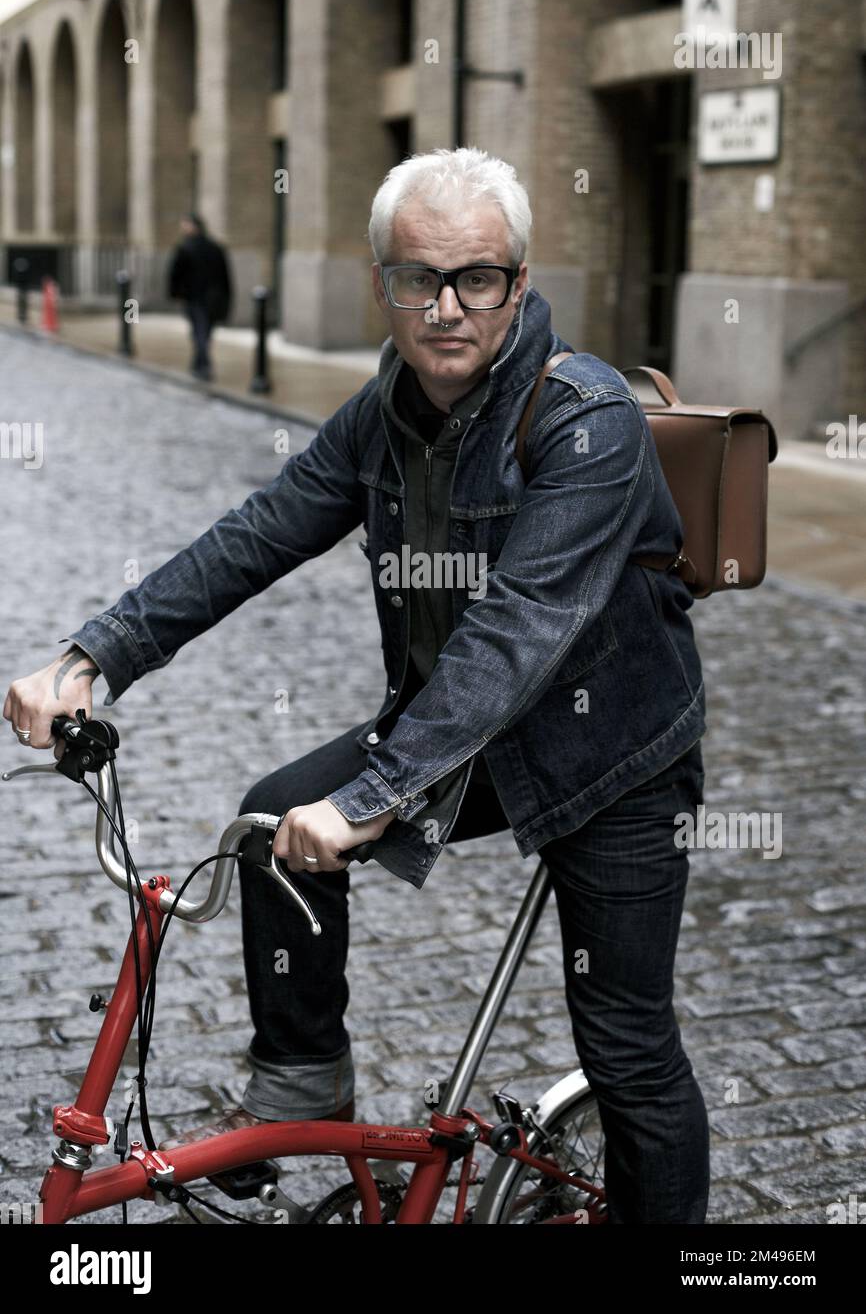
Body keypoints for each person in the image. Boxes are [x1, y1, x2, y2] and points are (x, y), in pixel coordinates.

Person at [3, 147, 710, 1223]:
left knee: (626, 1045)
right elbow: (253, 537)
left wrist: (367, 800)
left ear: (516, 284)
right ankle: (302, 1076)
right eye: (414, 278)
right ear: (382, 281)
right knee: (264, 816)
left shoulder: (586, 420)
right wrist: (89, 658)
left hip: (611, 757)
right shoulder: (384, 412)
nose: (443, 307)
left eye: (475, 277)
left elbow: (517, 632)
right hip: (460, 736)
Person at [166, 212, 233, 381]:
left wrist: (176, 293)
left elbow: (175, 274)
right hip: (208, 296)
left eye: (186, 225)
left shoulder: (187, 248)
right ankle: (199, 363)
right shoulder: (213, 248)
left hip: (198, 296)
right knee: (203, 331)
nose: (183, 229)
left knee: (200, 331)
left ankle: (203, 364)